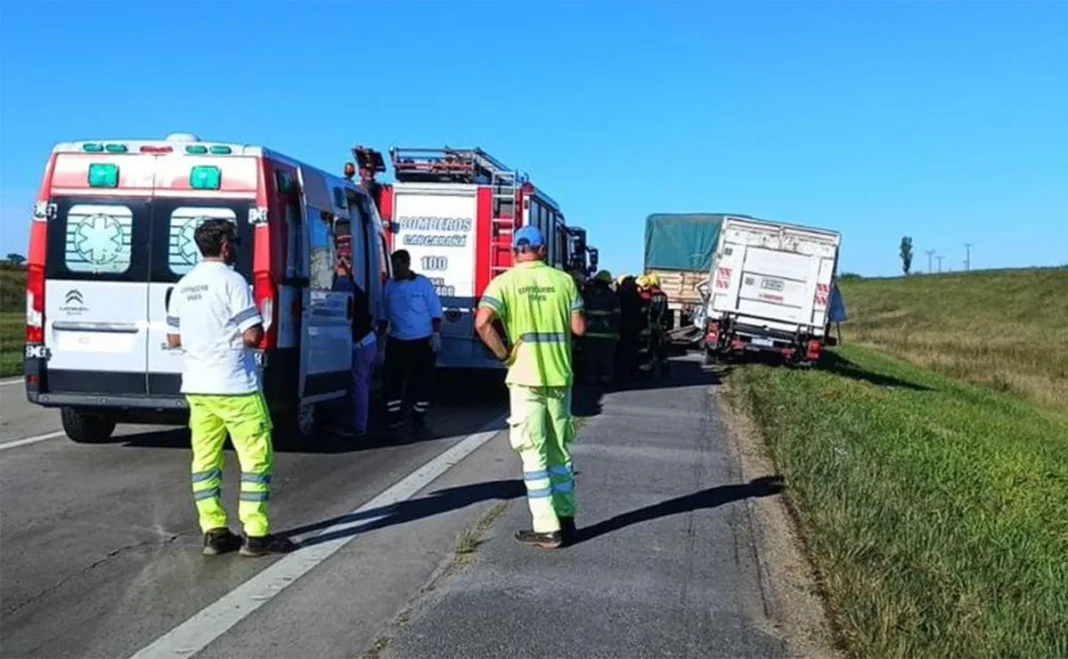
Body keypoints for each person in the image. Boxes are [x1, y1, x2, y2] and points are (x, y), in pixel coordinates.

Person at [165, 219, 297, 557]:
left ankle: (214, 532)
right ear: (225, 246)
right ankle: (256, 534)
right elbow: (252, 335)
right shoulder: (232, 281)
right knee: (255, 459)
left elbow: (174, 338)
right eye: (235, 242)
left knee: (205, 460)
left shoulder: (183, 285)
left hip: (197, 386)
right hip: (235, 385)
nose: (237, 247)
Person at [475, 226, 586, 550]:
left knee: (533, 453)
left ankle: (547, 528)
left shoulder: (504, 282)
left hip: (525, 377)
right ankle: (566, 519)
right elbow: (579, 328)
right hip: (559, 376)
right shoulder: (564, 281)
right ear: (543, 250)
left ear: (514, 251)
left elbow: (482, 323)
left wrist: (503, 354)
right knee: (559, 451)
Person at [379, 249, 443, 430]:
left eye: (398, 265)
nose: (396, 269)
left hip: (422, 341)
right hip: (397, 340)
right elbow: (384, 315)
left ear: (407, 264)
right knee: (392, 380)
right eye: (393, 266)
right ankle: (394, 415)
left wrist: (436, 334)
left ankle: (418, 414)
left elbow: (435, 311)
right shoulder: (389, 286)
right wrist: (381, 339)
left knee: (422, 381)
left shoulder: (422, 284)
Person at [581, 270, 621, 385]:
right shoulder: (613, 296)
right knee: (606, 358)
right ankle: (606, 378)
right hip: (608, 334)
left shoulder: (588, 295)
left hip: (590, 333)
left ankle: (590, 377)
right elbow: (617, 314)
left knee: (590, 358)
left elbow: (581, 312)